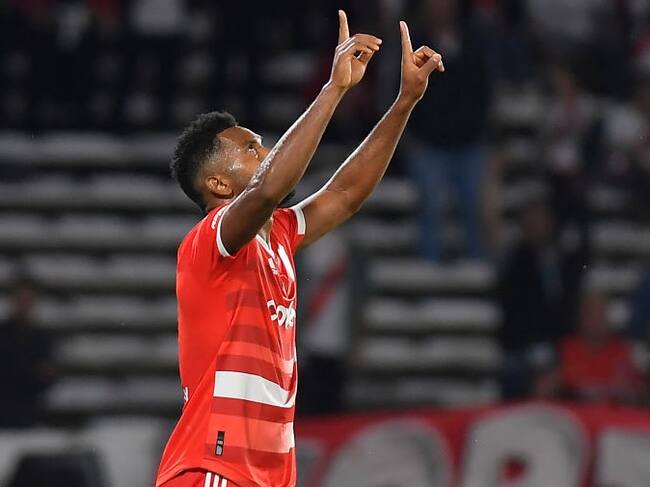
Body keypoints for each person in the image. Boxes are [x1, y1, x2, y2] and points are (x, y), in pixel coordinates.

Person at [155, 10, 444, 487]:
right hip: (214, 466)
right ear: (218, 185)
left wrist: (403, 102)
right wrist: (333, 90)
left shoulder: (281, 234)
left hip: (270, 472)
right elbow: (267, 189)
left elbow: (345, 194)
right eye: (251, 150)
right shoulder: (209, 241)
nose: (267, 153)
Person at [497, 200, 584, 398]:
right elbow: (514, 308)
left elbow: (567, 299)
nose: (538, 228)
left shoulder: (563, 256)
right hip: (525, 343)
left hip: (561, 341)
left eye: (542, 222)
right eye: (532, 223)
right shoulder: (516, 261)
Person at [535, 293, 648, 405]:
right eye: (591, 315)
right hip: (574, 414)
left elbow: (644, 397)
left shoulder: (628, 351)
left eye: (601, 315)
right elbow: (539, 393)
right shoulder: (564, 349)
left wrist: (631, 393)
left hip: (615, 415)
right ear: (580, 318)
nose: (596, 321)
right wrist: (557, 379)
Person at [0, 278, 55, 427]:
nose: (24, 304)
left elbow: (46, 377)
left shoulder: (42, 338)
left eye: (28, 300)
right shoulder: (3, 334)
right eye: (20, 299)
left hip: (28, 410)